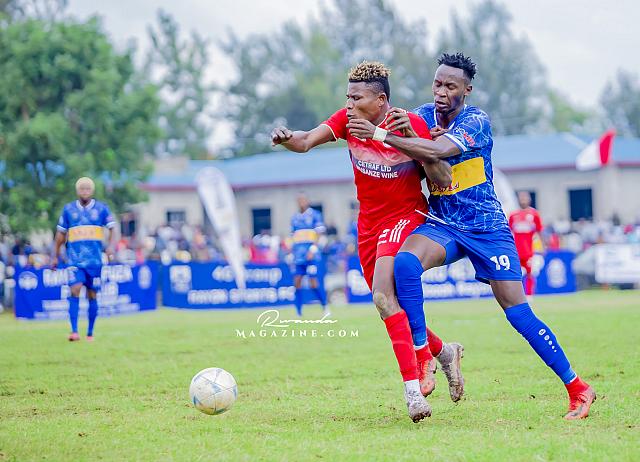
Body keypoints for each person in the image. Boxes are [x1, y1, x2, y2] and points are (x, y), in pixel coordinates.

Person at [347, 52, 595, 420]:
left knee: (518, 314)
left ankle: (578, 388)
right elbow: (402, 148)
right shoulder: (421, 116)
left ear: (466, 90)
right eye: (437, 84)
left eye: (450, 86)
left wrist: (388, 135)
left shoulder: (476, 121)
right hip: (443, 223)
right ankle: (424, 355)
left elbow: (438, 151)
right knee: (405, 264)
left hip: (485, 227)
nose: (441, 92)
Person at [271, 61, 464, 422]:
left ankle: (413, 393)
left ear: (380, 100)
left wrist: (413, 141)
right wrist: (286, 139)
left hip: (406, 217)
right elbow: (306, 140)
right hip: (368, 225)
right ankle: (444, 352)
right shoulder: (347, 120)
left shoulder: (407, 123)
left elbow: (441, 175)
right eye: (347, 97)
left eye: (356, 98)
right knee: (389, 305)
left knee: (382, 297)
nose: (349, 104)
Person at [53, 177, 116, 342]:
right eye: (82, 189)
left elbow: (113, 229)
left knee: (92, 295)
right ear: (77, 191)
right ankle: (74, 331)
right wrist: (55, 255)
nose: (85, 192)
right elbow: (60, 234)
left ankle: (90, 332)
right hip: (75, 261)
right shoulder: (68, 210)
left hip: (95, 262)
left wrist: (111, 246)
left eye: (88, 189)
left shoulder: (101, 209)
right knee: (74, 289)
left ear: (92, 191)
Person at [290, 193, 328, 316]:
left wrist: (313, 249)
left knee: (313, 282)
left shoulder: (315, 215)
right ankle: (298, 312)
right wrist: (291, 252)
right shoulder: (294, 218)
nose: (301, 202)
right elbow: (293, 237)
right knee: (297, 283)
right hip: (298, 257)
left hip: (311, 256)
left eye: (303, 200)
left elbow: (320, 234)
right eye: (299, 200)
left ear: (307, 201)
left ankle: (325, 306)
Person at [509, 191, 543, 296]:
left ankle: (529, 295)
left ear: (529, 199)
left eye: (525, 198)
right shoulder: (513, 215)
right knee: (515, 275)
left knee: (530, 273)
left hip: (529, 251)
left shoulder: (534, 214)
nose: (523, 200)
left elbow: (539, 232)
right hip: (516, 251)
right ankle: (516, 295)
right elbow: (509, 233)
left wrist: (542, 247)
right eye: (521, 198)